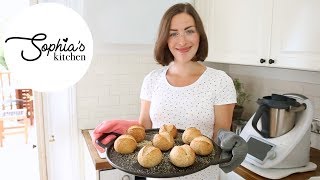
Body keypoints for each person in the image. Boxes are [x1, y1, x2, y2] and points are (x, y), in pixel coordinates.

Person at [93, 3, 247, 180]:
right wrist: (120, 130)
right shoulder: (152, 79)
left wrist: (230, 142)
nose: (182, 41)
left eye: (189, 31)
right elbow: (144, 129)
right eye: (173, 33)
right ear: (165, 39)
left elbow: (220, 135)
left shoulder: (220, 81)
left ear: (200, 36)